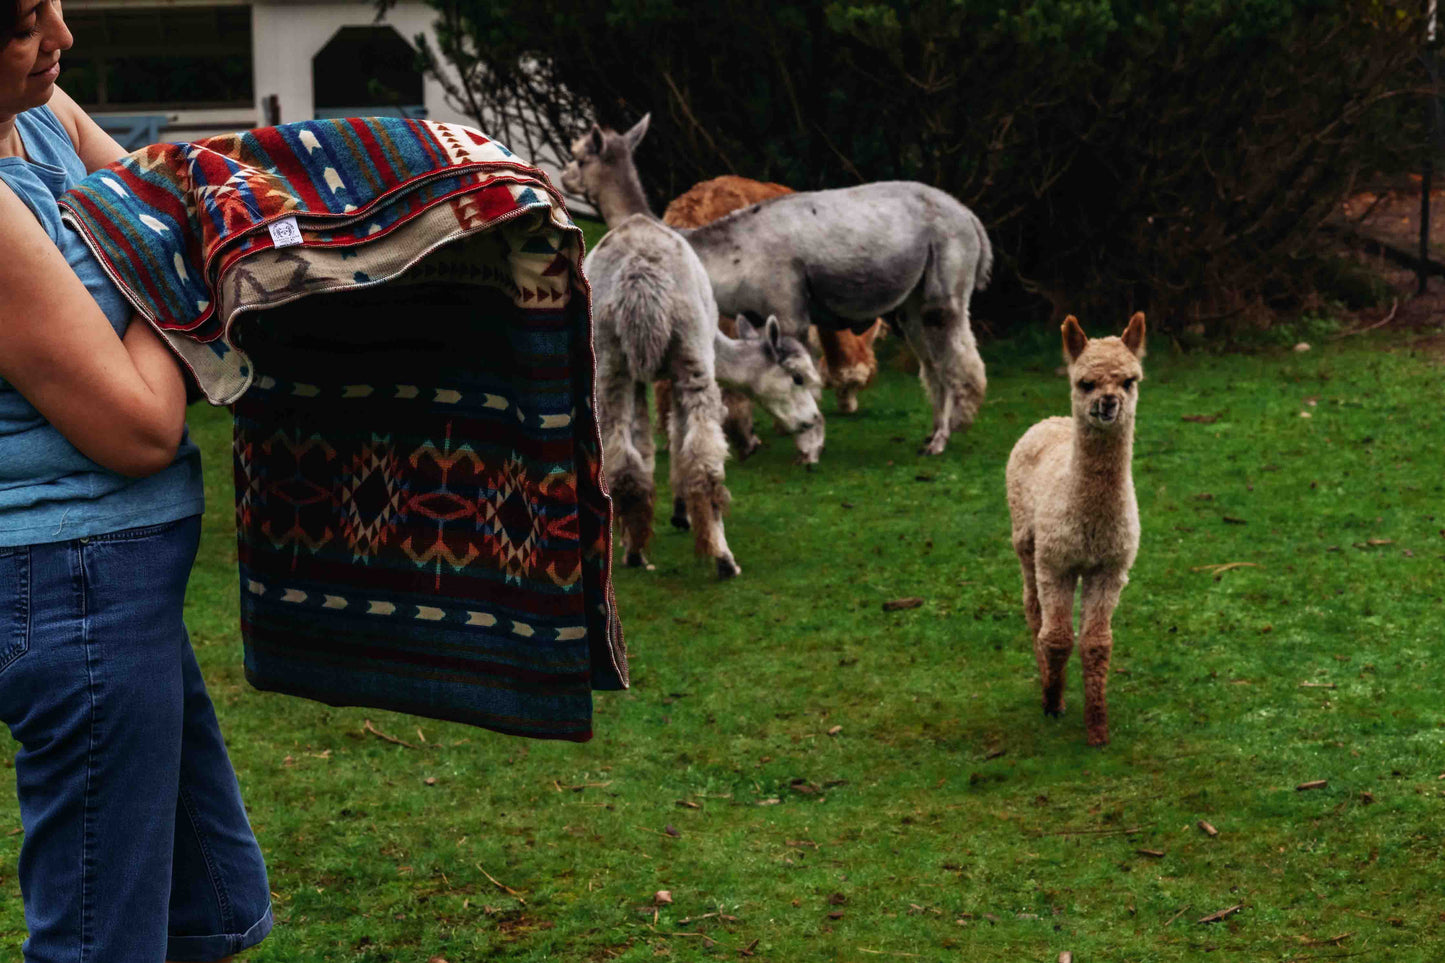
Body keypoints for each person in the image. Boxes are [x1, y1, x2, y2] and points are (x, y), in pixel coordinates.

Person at [0, 2, 272, 960]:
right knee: (99, 943)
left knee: (212, 906)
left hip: (121, 588)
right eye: (27, 23)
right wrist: (187, 286)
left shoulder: (34, 113)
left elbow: (162, 197)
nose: (62, 38)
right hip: (71, 585)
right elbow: (142, 426)